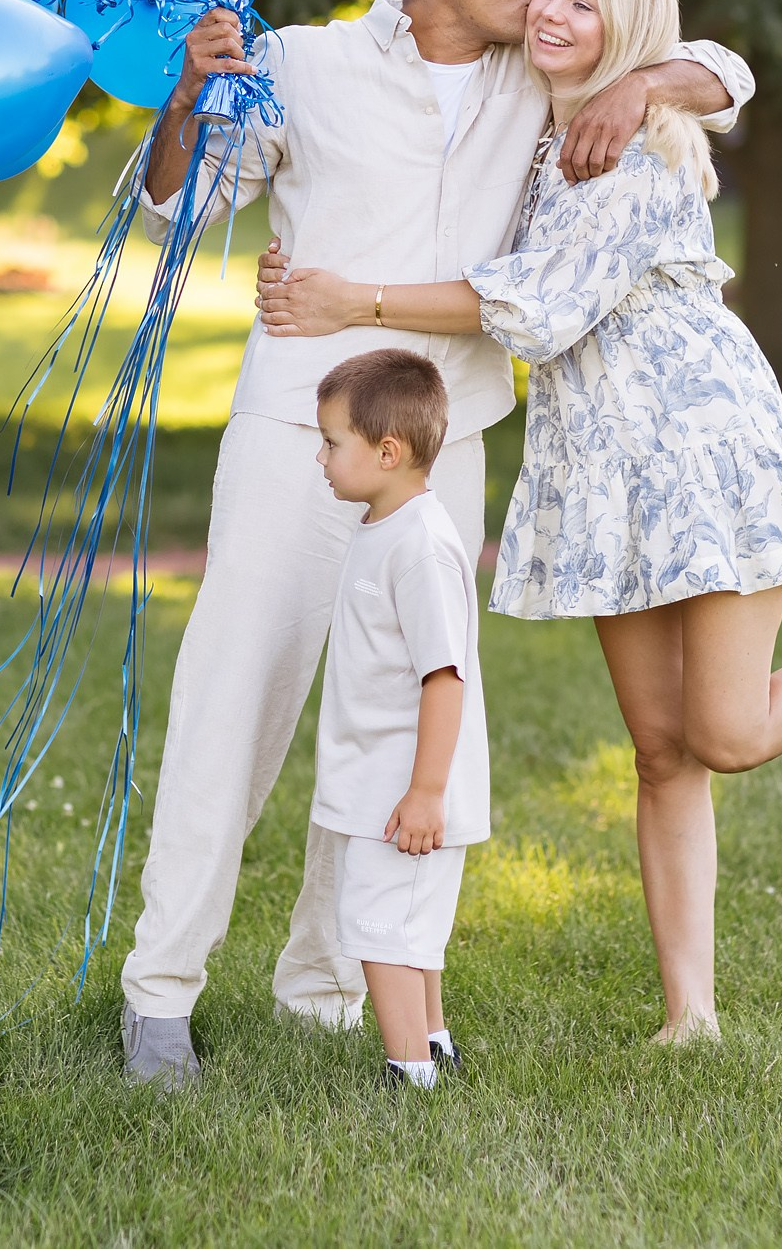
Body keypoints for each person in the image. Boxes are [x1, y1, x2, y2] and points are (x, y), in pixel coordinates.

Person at [257, 0, 782, 1044]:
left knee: (725, 734)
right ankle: (688, 1014)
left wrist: (356, 302)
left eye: (584, 5)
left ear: (631, 30)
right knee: (659, 751)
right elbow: (715, 76)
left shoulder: (636, 141)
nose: (549, 11)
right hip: (599, 473)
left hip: (698, 451)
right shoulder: (546, 135)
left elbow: (540, 306)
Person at [118, 0, 754, 1084]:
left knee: (408, 720)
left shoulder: (546, 76)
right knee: (235, 698)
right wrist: (191, 92)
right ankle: (160, 995)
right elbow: (173, 210)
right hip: (296, 432)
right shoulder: (301, 62)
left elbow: (727, 69)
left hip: (448, 444)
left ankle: (328, 984)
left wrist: (636, 80)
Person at [307, 349, 487, 1091]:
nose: (319, 456)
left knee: (381, 928)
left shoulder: (419, 545)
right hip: (380, 777)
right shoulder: (386, 525)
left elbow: (444, 676)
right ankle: (433, 1044)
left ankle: (408, 1072)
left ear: (387, 451)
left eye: (330, 441)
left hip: (404, 789)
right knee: (407, 927)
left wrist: (425, 792)